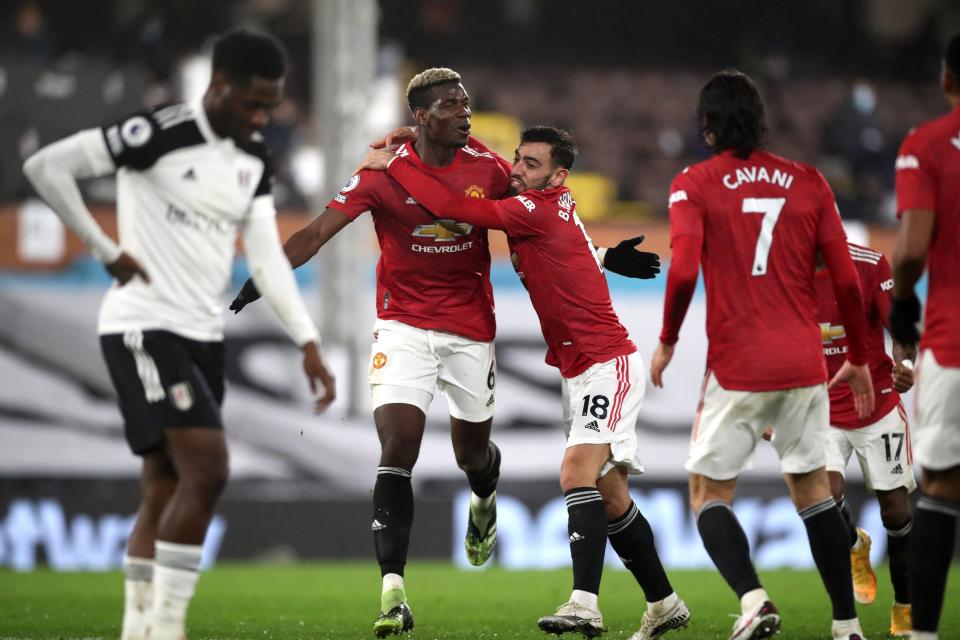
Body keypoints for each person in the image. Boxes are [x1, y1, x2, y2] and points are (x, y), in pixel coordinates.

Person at [230, 67, 656, 638]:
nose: (466, 112)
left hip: (469, 330)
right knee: (398, 443)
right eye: (452, 105)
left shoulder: (485, 167)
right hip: (402, 324)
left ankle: (484, 498)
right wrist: (266, 274)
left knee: (472, 456)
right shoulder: (376, 176)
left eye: (467, 103)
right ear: (422, 116)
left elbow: (550, 223)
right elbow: (313, 234)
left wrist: (605, 256)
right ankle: (393, 594)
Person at [22, 30, 335, 640]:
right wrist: (105, 249)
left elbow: (267, 260)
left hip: (202, 334)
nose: (261, 117)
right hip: (143, 325)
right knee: (210, 468)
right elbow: (46, 166)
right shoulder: (157, 133)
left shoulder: (252, 160)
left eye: (270, 105)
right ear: (219, 86)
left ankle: (137, 629)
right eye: (252, 103)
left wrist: (307, 340)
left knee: (164, 483)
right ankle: (168, 629)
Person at [358, 126, 688, 640]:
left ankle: (584, 605)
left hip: (607, 363)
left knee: (576, 473)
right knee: (612, 496)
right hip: (577, 371)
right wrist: (603, 257)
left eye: (531, 164)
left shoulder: (527, 210)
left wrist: (395, 164)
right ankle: (664, 604)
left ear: (559, 175)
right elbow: (568, 241)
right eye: (517, 159)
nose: (516, 169)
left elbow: (457, 207)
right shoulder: (546, 207)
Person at [649, 69, 876, 640]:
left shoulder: (693, 183)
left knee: (707, 492)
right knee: (813, 490)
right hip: (804, 361)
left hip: (739, 360)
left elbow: (681, 271)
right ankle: (847, 626)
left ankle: (753, 600)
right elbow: (847, 279)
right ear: (760, 121)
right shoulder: (808, 180)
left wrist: (669, 339)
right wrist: (861, 351)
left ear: (706, 124)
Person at [888, 31, 960, 640]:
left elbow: (909, 251)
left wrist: (902, 308)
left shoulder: (928, 146)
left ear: (946, 79)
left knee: (939, 483)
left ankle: (925, 633)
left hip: (953, 339)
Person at [814, 244, 915, 636]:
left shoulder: (870, 265)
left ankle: (904, 605)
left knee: (895, 513)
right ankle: (855, 545)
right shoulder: (782, 269)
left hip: (878, 403)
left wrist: (905, 363)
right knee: (824, 499)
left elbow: (901, 331)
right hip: (821, 408)